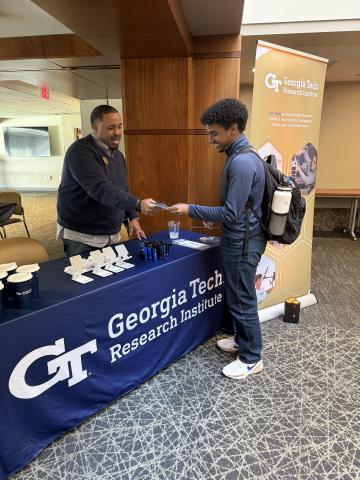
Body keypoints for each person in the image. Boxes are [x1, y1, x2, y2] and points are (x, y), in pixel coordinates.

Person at [168, 98, 266, 380]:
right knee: (237, 295)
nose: (211, 139)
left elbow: (233, 212)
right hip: (242, 237)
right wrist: (215, 216)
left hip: (243, 242)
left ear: (233, 129)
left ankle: (251, 357)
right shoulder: (239, 155)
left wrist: (190, 209)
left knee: (241, 299)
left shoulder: (243, 162)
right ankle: (241, 340)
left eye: (214, 133)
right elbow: (240, 208)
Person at [57, 104, 158, 257]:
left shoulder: (117, 155)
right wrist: (138, 204)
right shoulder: (80, 152)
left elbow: (122, 188)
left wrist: (132, 217)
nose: (117, 133)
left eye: (119, 127)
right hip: (83, 237)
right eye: (111, 128)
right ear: (94, 127)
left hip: (111, 234)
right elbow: (100, 189)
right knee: (86, 280)